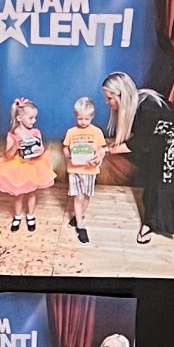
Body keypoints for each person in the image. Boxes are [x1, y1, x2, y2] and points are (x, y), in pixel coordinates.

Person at [127, 85, 174, 245]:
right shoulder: (142, 101)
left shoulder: (146, 106)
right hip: (163, 141)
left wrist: (106, 150)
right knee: (154, 180)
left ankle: (161, 223)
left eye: (110, 98)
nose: (108, 102)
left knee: (168, 182)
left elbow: (138, 142)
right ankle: (152, 222)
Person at [0, 97, 54, 234]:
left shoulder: (36, 132)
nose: (34, 121)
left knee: (32, 193)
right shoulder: (12, 135)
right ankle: (17, 216)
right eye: (31, 118)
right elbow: (8, 155)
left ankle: (31, 215)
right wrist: (15, 146)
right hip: (18, 166)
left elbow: (41, 148)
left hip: (34, 165)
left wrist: (39, 150)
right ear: (19, 118)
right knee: (18, 194)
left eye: (35, 118)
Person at [60, 96, 107, 245]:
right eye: (80, 119)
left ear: (92, 116)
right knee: (78, 197)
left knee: (86, 196)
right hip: (75, 169)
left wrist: (99, 158)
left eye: (86, 119)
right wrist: (67, 156)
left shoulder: (97, 132)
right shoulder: (71, 132)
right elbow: (65, 147)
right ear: (75, 116)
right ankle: (80, 225)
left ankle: (79, 216)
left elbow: (101, 149)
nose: (83, 122)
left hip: (90, 170)